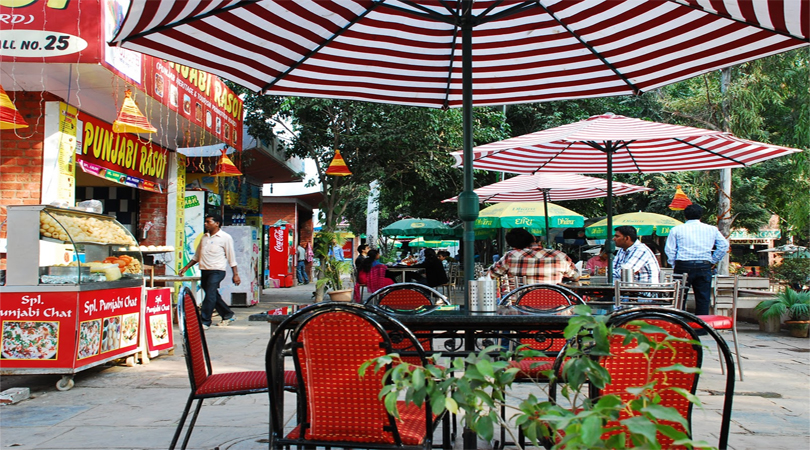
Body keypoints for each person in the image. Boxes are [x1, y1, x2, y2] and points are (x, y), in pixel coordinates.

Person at [665, 204, 730, 315]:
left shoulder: (676, 230)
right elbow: (724, 246)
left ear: (685, 216)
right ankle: (701, 327)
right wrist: (713, 261)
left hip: (683, 265)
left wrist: (674, 264)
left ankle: (679, 325)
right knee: (703, 298)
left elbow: (670, 250)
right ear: (701, 216)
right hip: (703, 265)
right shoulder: (712, 229)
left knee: (679, 298)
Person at [180, 213, 239, 329]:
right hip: (205, 270)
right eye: (205, 222)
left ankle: (205, 321)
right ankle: (228, 314)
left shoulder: (225, 238)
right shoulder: (204, 237)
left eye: (208, 222)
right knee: (212, 294)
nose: (205, 224)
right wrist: (186, 267)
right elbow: (197, 256)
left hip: (217, 271)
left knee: (210, 295)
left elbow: (231, 257)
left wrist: (235, 274)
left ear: (217, 224)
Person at [488, 228, 579, 284]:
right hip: (555, 306)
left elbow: (490, 275)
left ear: (514, 246)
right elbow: (576, 277)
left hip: (519, 306)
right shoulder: (560, 256)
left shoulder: (511, 256)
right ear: (534, 238)